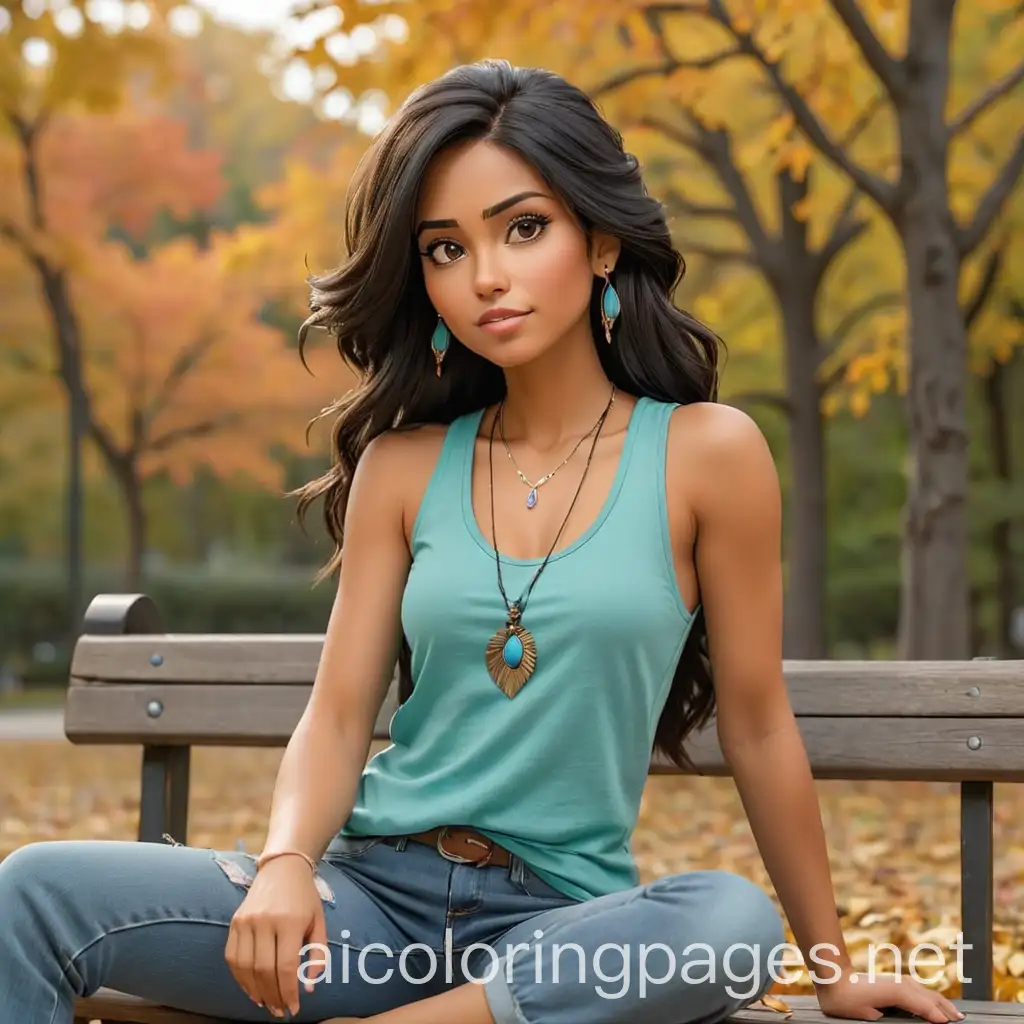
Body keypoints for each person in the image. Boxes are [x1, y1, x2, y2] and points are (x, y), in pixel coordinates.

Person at [0, 60, 965, 1024]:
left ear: (599, 241)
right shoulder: (404, 467)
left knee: (728, 926)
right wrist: (287, 864)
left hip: (556, 938)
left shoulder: (711, 455)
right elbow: (338, 717)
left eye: (524, 228)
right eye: (445, 249)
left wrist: (832, 969)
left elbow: (757, 725)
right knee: (30, 893)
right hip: (367, 912)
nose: (485, 277)